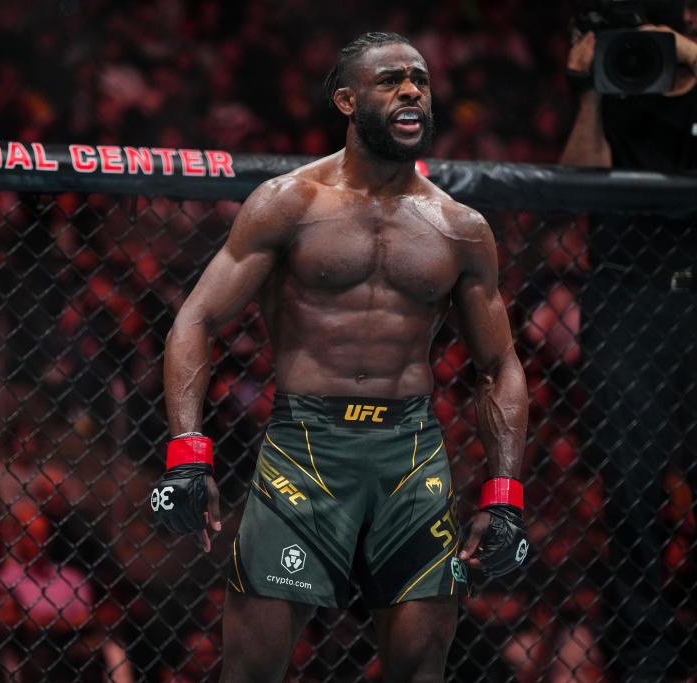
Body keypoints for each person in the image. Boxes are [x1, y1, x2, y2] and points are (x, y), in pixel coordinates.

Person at [150, 32, 530, 682]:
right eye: (391, 80)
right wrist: (188, 452)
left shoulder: (459, 227)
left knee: (419, 669)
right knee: (251, 672)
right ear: (347, 99)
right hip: (305, 447)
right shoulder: (289, 204)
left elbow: (501, 365)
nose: (412, 89)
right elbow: (197, 318)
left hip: (408, 456)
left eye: (420, 79)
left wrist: (504, 495)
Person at [559, 4, 697, 680]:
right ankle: (645, 649)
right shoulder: (622, 74)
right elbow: (580, 175)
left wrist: (688, 59)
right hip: (629, 292)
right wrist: (595, 87)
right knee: (633, 483)